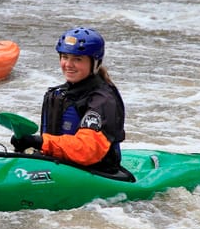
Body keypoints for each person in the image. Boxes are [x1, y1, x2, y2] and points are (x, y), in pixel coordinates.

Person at [11, 27, 127, 175]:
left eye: (77, 59)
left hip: (94, 172)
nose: (68, 64)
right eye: (65, 57)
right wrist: (25, 142)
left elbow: (87, 150)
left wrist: (41, 142)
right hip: (60, 166)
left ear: (95, 63)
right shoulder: (61, 93)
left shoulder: (102, 101)